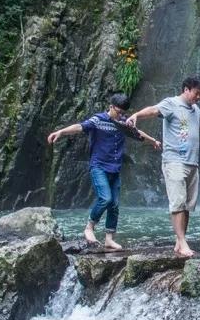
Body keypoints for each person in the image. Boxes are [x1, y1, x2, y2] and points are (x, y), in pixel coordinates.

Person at [127, 75, 200, 257]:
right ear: (186, 89)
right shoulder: (171, 104)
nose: (199, 97)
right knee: (177, 203)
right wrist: (136, 115)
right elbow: (153, 110)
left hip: (192, 163)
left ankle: (179, 241)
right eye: (197, 93)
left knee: (187, 205)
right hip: (174, 161)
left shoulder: (195, 109)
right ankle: (182, 242)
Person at [47, 93, 160, 250]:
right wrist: (61, 132)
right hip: (99, 166)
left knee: (114, 204)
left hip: (115, 168)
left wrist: (153, 141)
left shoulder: (123, 123)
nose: (121, 115)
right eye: (119, 111)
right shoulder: (98, 120)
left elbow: (137, 134)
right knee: (105, 198)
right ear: (111, 107)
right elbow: (80, 127)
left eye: (123, 113)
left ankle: (109, 239)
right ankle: (89, 228)